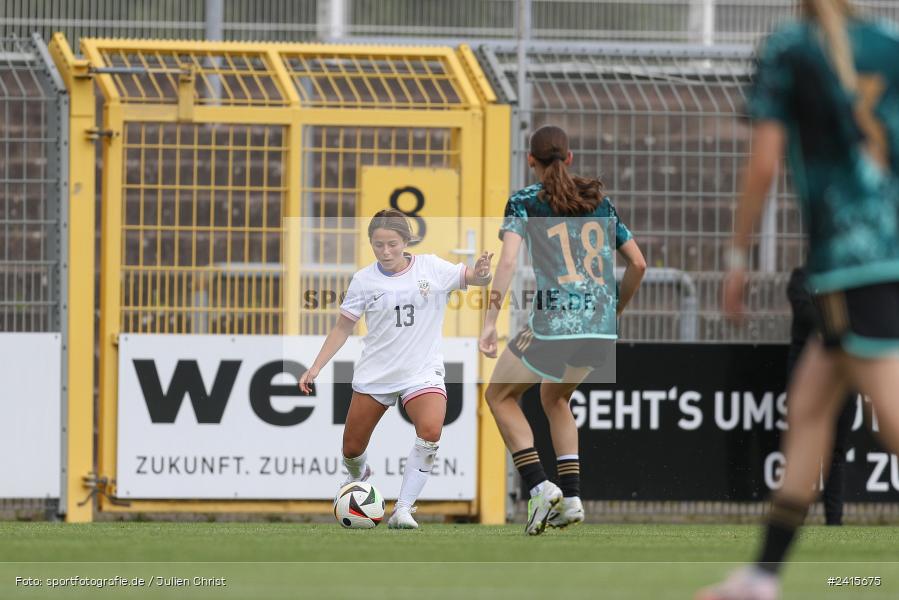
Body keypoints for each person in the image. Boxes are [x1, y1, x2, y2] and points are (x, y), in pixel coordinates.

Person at [700, 1, 899, 598]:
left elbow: (763, 164)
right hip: (883, 250)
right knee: (809, 407)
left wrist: (737, 257)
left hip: (850, 260)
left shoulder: (790, 49)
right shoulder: (889, 41)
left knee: (890, 415)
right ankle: (762, 576)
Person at [479, 125, 646, 535]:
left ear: (530, 160)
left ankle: (539, 487)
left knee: (498, 395)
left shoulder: (524, 202)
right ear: (569, 158)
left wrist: (489, 321)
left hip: (557, 320)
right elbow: (639, 264)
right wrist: (615, 310)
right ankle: (571, 500)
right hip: (600, 325)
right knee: (555, 398)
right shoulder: (597, 200)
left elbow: (507, 263)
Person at [298, 209, 494, 529]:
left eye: (392, 244)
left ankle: (403, 509)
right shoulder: (364, 280)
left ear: (406, 241)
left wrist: (483, 272)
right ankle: (359, 477)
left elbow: (476, 278)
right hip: (377, 374)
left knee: (430, 431)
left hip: (421, 371)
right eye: (378, 245)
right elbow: (342, 328)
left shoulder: (432, 267)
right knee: (351, 449)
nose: (385, 251)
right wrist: (316, 367)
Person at [786, 266, 855, 526]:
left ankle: (834, 521)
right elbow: (805, 314)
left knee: (836, 448)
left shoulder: (850, 278)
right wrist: (840, 322)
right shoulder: (802, 277)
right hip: (810, 366)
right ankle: (792, 519)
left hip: (846, 365)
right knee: (802, 444)